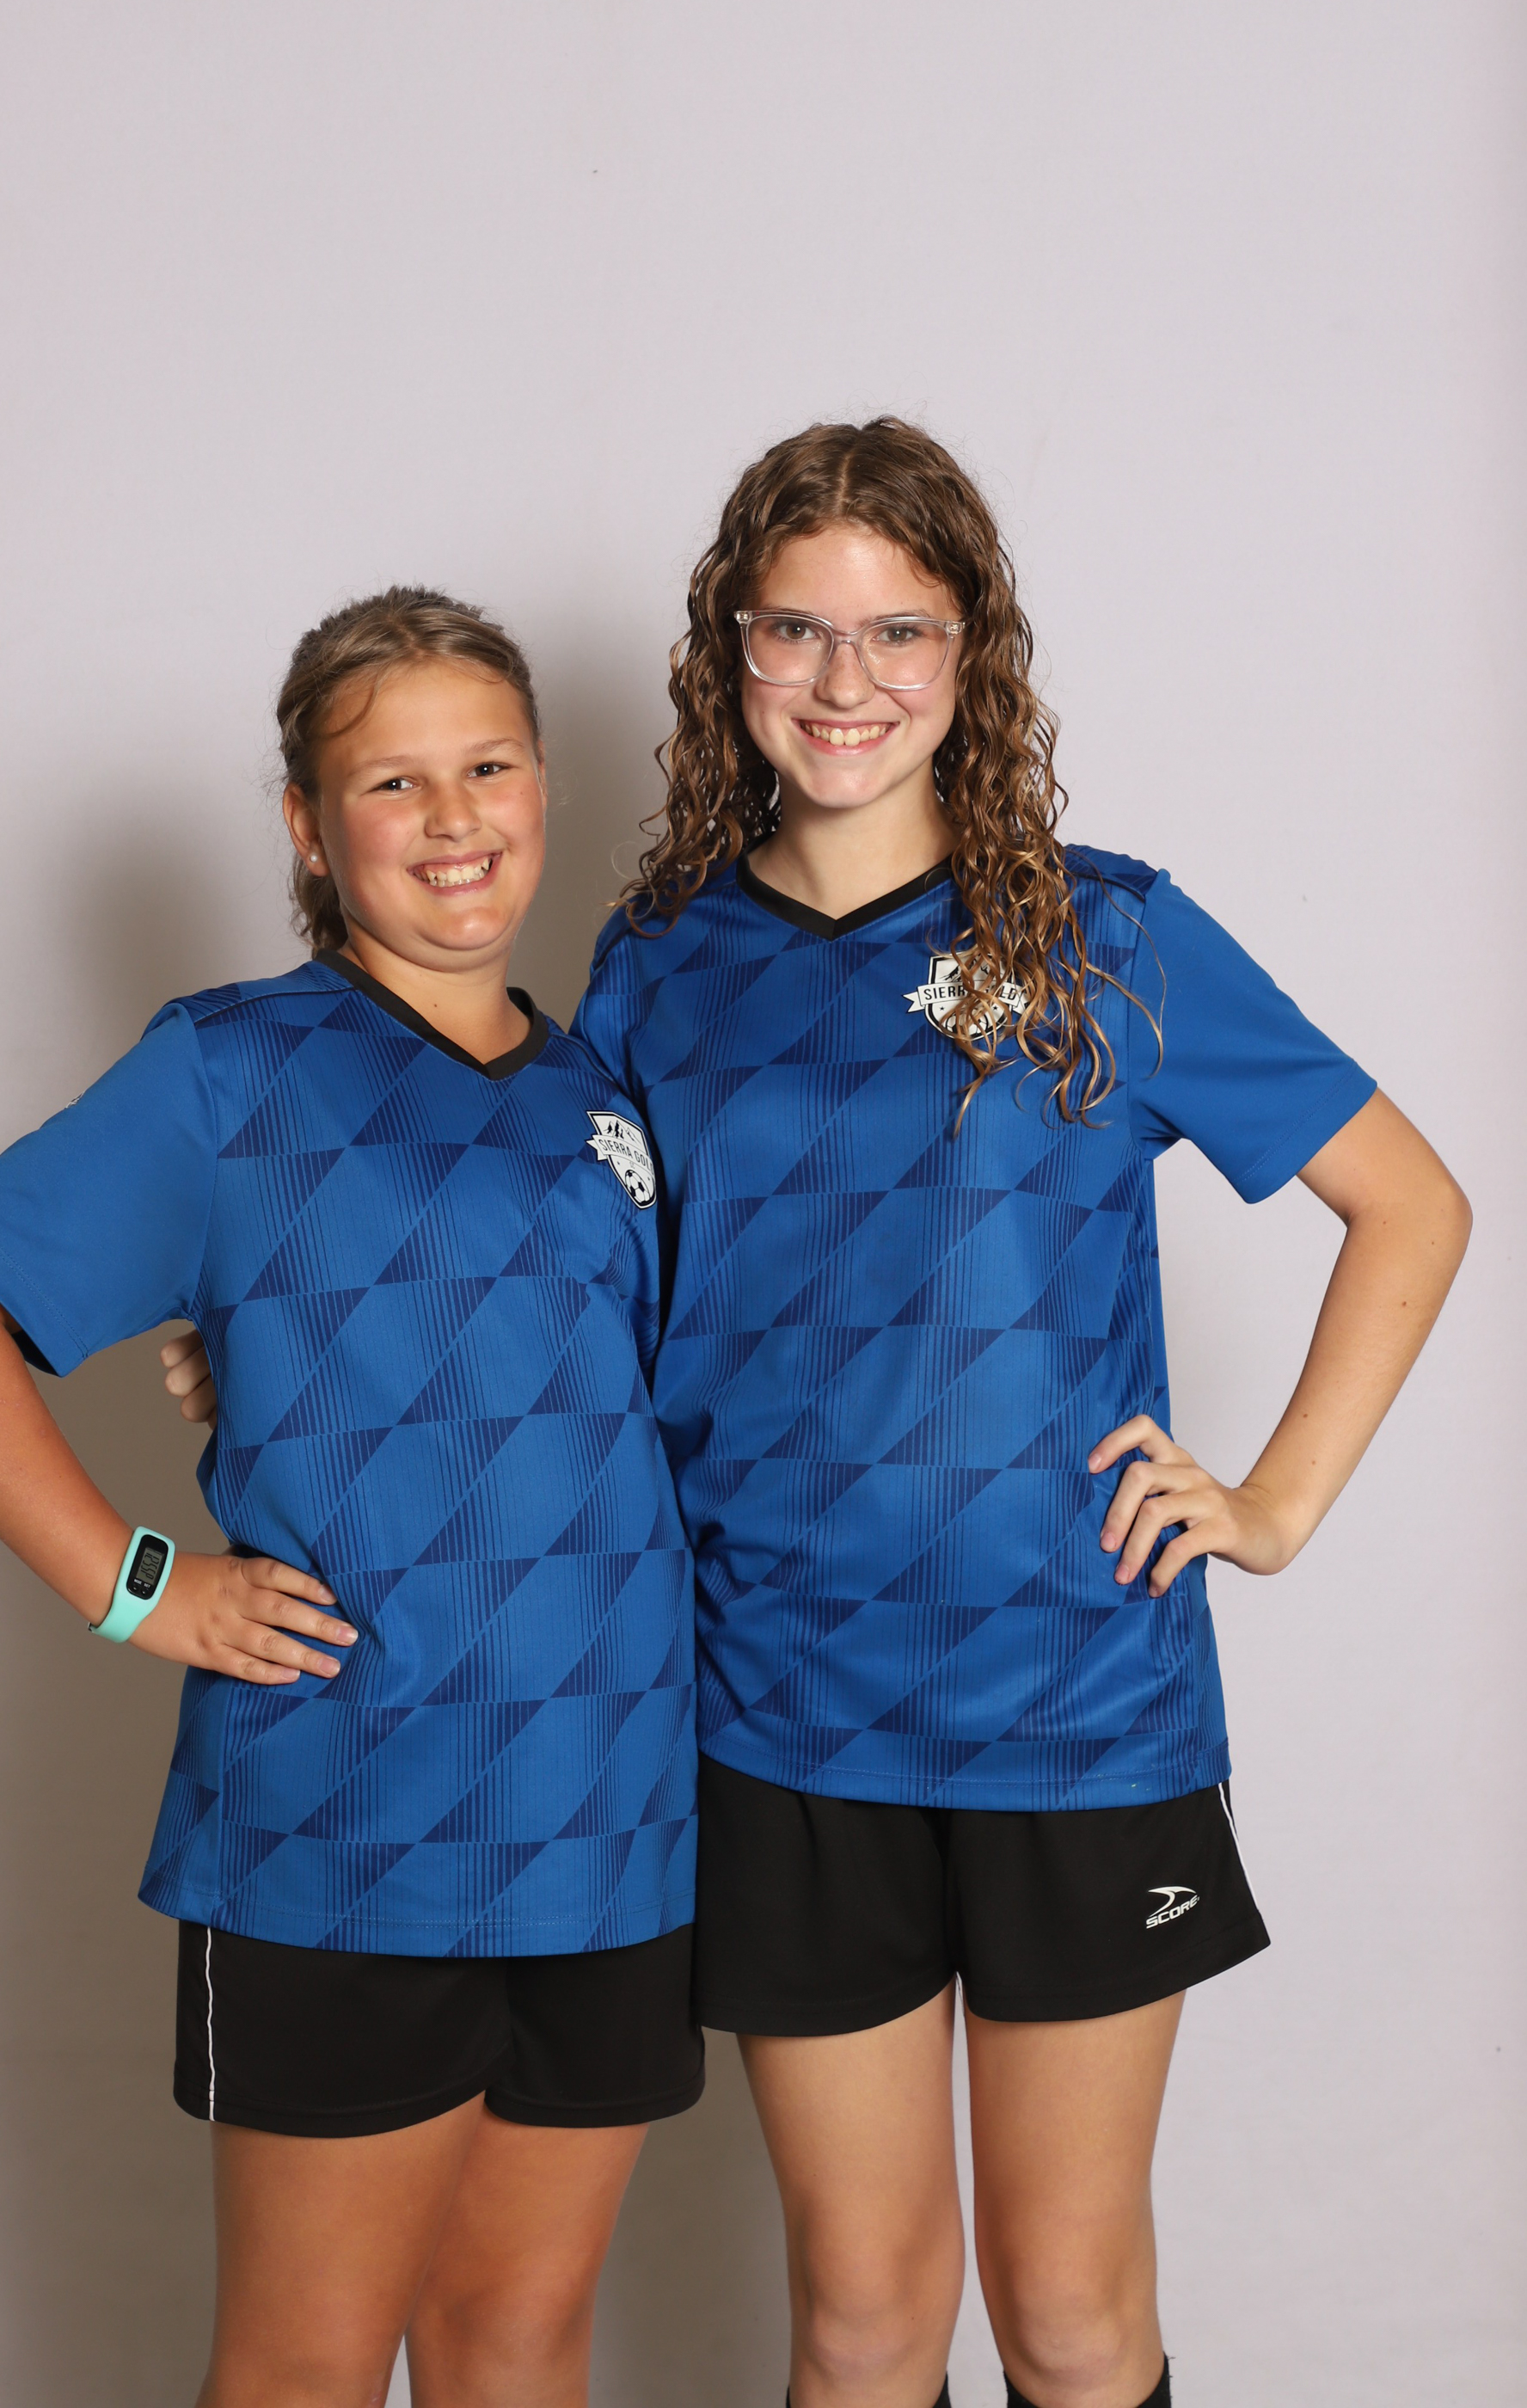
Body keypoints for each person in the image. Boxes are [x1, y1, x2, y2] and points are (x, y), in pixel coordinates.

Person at [565, 419, 1470, 2408]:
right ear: (729, 651)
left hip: (1074, 1704)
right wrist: (244, 1327)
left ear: (970, 653)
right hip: (779, 1706)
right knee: (862, 2318)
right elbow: (563, 1279)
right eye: (794, 629)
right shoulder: (659, 969)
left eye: (896, 630)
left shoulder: (1101, 937)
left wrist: (1273, 1500)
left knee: (1065, 2311)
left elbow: (1410, 1199)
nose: (844, 679)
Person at [0, 588, 702, 2408]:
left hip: (613, 1814)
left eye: (488, 767)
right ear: (310, 829)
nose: (454, 816)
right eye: (392, 781)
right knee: (308, 2365)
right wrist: (138, 1581)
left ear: (545, 786)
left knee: (519, 2342)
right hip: (348, 1825)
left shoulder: (606, 1089)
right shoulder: (231, 1070)